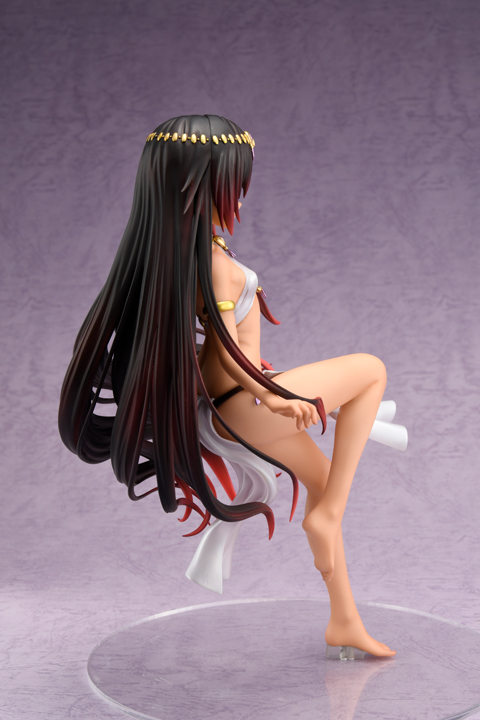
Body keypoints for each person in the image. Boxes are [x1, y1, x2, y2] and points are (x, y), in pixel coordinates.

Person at [59, 114, 405, 658]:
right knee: (371, 368)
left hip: (236, 400)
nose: (239, 198)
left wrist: (274, 386)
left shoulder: (193, 257)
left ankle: (344, 620)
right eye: (231, 185)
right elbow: (223, 349)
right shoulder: (215, 266)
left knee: (320, 477)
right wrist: (272, 397)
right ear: (198, 187)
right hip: (241, 404)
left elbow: (220, 352)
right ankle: (329, 514)